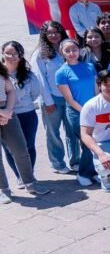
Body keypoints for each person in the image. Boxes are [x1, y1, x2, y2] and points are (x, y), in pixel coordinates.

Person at [0, 57, 48, 203]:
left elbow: (10, 91)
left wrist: (8, 111)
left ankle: (30, 183)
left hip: (7, 112)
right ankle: (3, 190)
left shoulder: (1, 69)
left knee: (21, 149)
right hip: (3, 113)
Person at [31, 21, 76, 173]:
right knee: (53, 133)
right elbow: (40, 80)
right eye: (49, 33)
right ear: (44, 35)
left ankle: (75, 161)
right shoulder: (40, 54)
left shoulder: (69, 49)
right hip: (52, 99)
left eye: (56, 32)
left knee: (72, 131)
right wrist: (48, 102)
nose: (53, 35)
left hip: (70, 99)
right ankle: (57, 163)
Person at [55, 38, 99, 186]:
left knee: (96, 141)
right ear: (62, 53)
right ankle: (83, 174)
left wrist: (98, 107)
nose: (71, 53)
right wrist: (86, 111)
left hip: (94, 110)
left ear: (79, 50)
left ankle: (93, 172)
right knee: (87, 142)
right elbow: (69, 99)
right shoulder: (61, 73)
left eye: (74, 49)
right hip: (76, 113)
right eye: (67, 51)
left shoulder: (89, 66)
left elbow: (96, 89)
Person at [1, 41, 41, 186]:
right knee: (9, 148)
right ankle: (19, 176)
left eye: (15, 53)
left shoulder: (28, 75)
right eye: (8, 53)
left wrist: (22, 103)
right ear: (3, 54)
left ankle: (29, 175)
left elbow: (35, 93)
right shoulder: (2, 74)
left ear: (20, 55)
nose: (12, 56)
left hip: (26, 114)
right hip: (7, 116)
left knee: (28, 146)